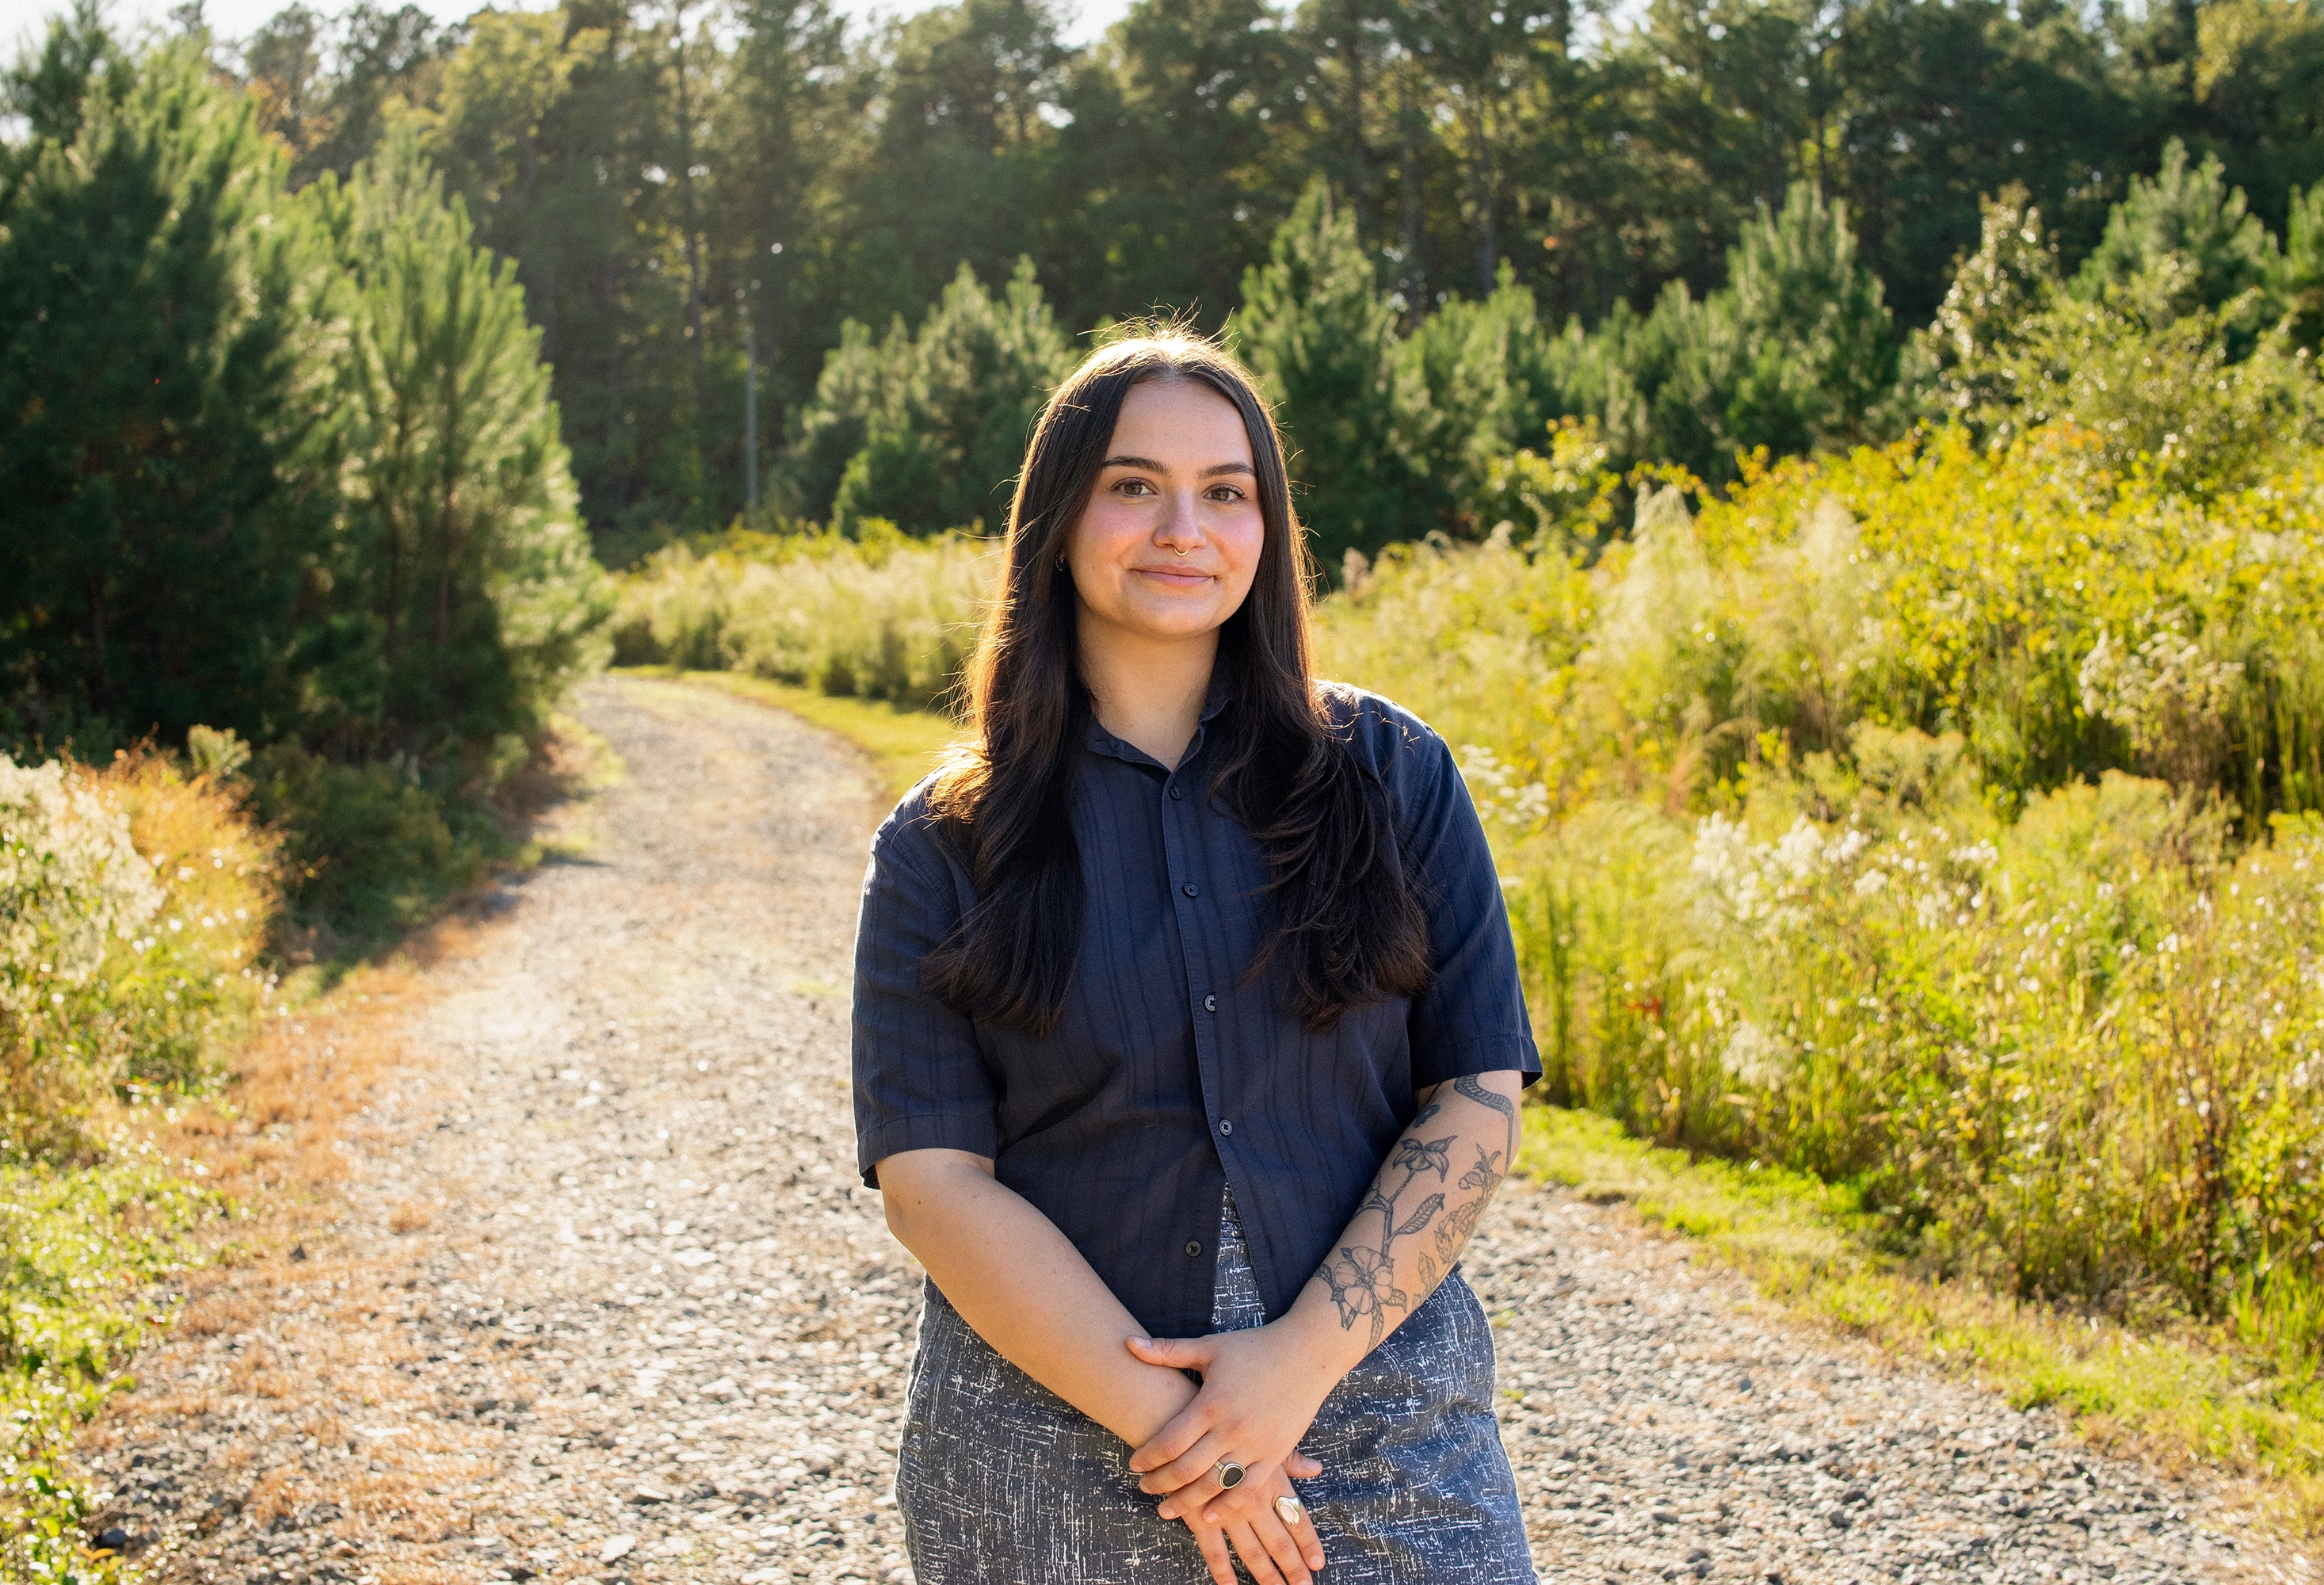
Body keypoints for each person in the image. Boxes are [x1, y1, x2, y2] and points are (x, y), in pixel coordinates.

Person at [850, 331, 1540, 1585]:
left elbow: (1478, 1095)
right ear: (1058, 519)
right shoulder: (944, 843)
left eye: (1227, 491)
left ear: (1267, 529)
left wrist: (1288, 1374)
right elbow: (933, 1184)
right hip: (1044, 1459)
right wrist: (1194, 1436)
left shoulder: (1393, 777)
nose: (1185, 526)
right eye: (1133, 484)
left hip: (1379, 1431)